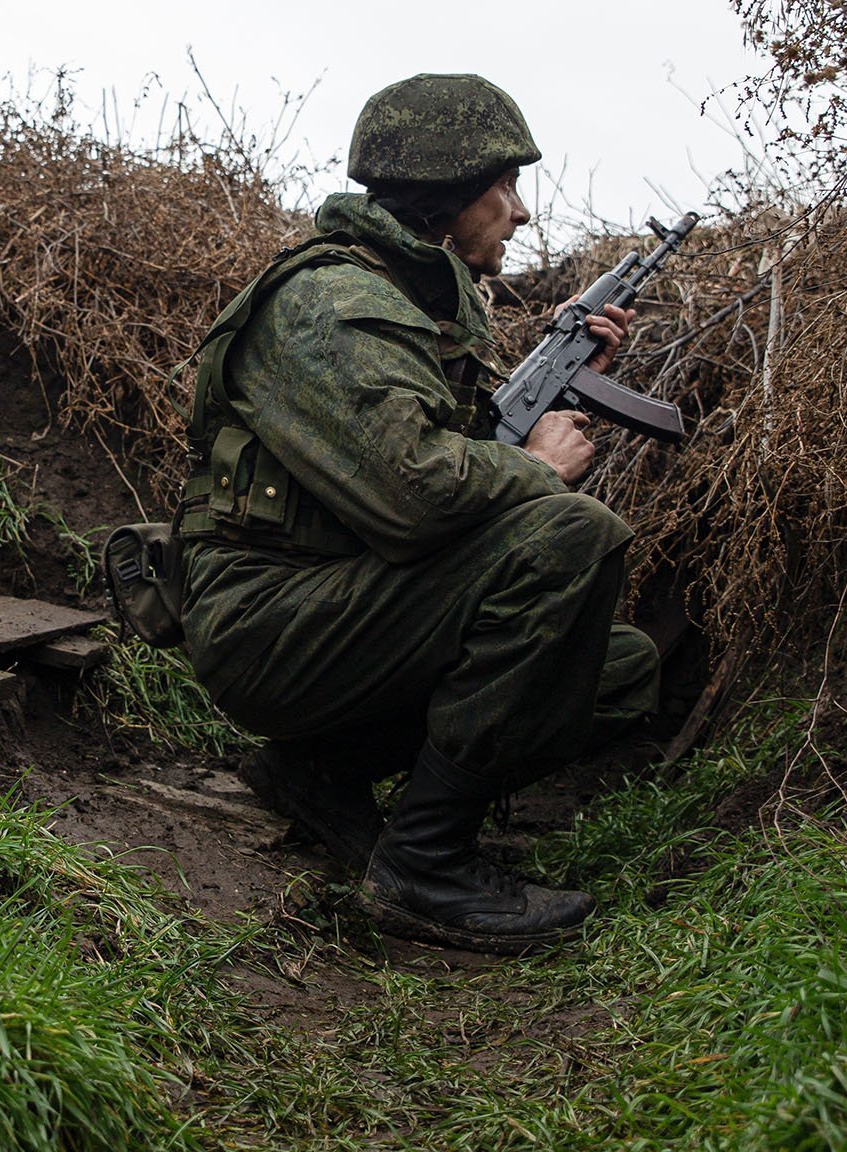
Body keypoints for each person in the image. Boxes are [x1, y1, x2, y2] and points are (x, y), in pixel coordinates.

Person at [178, 73, 660, 954]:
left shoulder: (403, 306)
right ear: (443, 198)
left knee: (613, 668)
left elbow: (419, 446)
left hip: (340, 606)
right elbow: (417, 496)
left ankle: (325, 772)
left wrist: (549, 367)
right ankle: (426, 866)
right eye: (503, 188)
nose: (520, 213)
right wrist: (533, 467)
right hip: (268, 621)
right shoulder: (333, 305)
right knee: (574, 536)